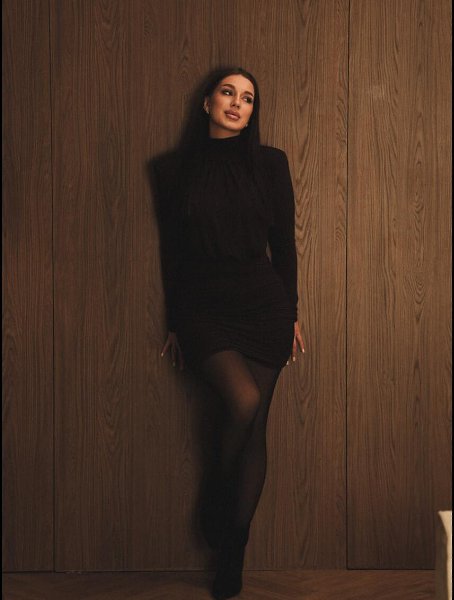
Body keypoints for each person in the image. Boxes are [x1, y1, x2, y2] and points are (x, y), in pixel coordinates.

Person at [152, 66, 304, 600]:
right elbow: (172, 251)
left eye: (248, 98)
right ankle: (218, 499)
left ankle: (232, 551)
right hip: (203, 309)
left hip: (264, 307)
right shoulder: (172, 170)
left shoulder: (270, 163)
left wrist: (292, 313)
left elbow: (284, 245)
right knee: (243, 402)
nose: (238, 103)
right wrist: (175, 320)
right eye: (228, 92)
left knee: (255, 426)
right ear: (207, 103)